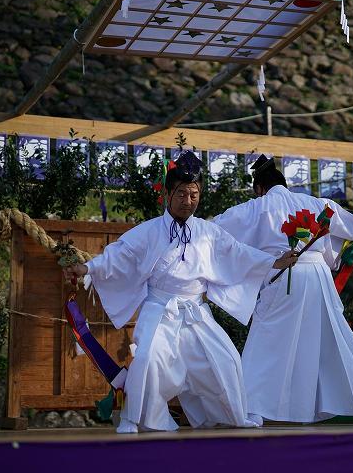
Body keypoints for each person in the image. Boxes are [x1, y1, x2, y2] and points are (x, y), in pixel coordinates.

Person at [63, 152, 298, 433]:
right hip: (160, 311)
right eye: (182, 194)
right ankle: (139, 419)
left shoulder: (209, 232)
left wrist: (273, 261)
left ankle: (227, 417)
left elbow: (238, 254)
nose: (188, 201)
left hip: (197, 312)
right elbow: (119, 256)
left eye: (194, 194)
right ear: (167, 194)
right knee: (149, 360)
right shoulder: (149, 232)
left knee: (226, 360)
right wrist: (87, 269)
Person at [211, 155, 353, 425]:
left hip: (285, 276)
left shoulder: (257, 207)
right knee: (338, 338)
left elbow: (215, 230)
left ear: (260, 188)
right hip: (318, 276)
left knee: (266, 340)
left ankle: (252, 409)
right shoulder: (316, 203)